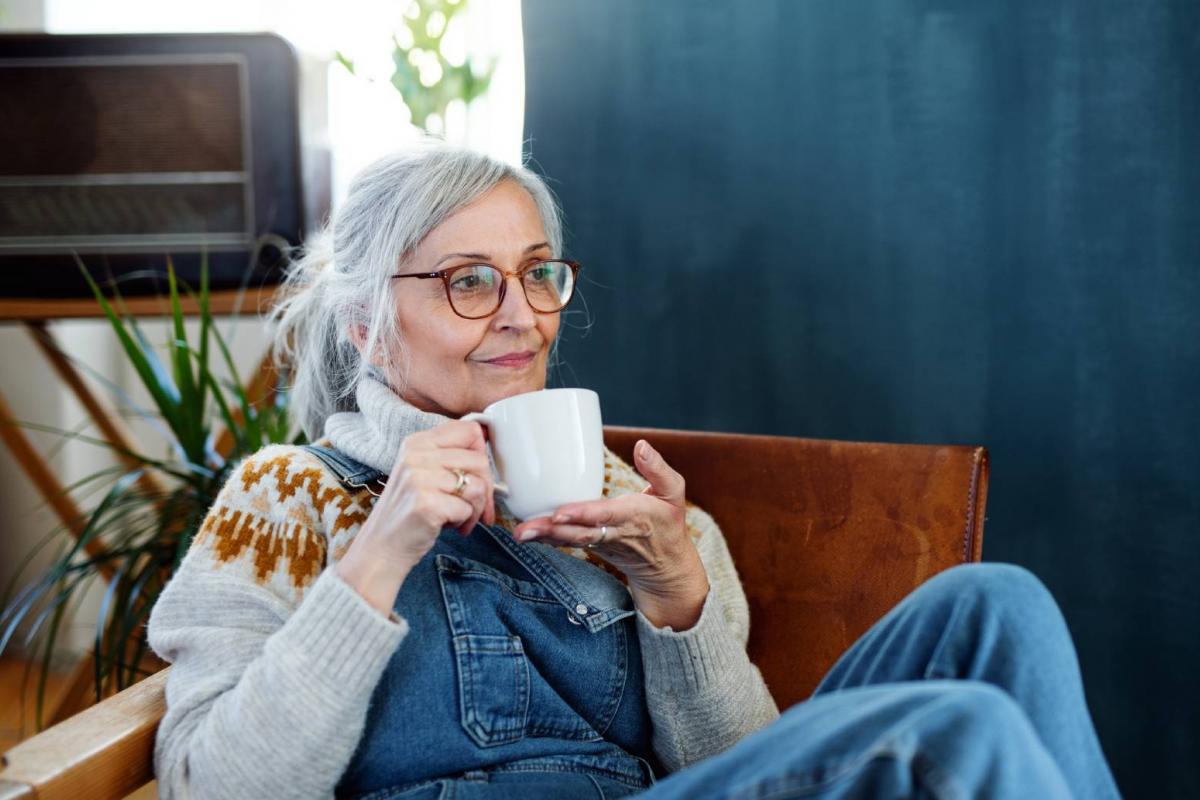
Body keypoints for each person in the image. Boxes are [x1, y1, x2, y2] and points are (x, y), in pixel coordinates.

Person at [147, 142, 1121, 799]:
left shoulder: (634, 504)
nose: (523, 314)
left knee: (998, 603)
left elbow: (737, 767)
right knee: (954, 732)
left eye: (538, 271)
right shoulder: (285, 495)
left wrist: (679, 596)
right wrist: (379, 550)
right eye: (468, 281)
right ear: (365, 321)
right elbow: (212, 782)